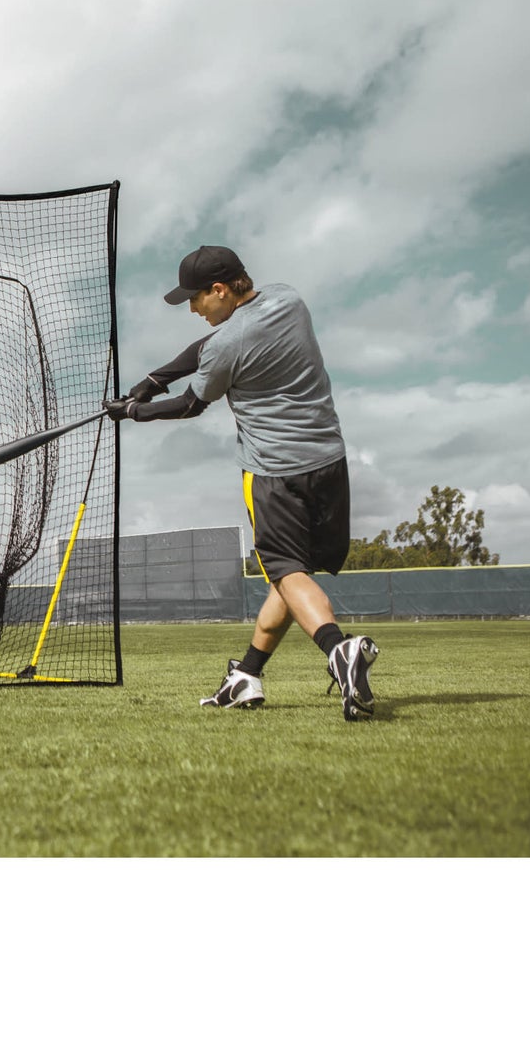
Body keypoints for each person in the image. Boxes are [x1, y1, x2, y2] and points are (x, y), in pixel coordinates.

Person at [104, 246, 379, 721]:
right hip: (329, 462)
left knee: (285, 570)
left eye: (195, 299)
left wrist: (134, 410)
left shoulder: (226, 346)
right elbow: (207, 349)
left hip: (274, 472)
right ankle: (247, 675)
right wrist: (156, 377)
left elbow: (191, 403)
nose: (192, 309)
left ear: (219, 289)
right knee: (292, 578)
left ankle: (338, 650)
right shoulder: (288, 299)